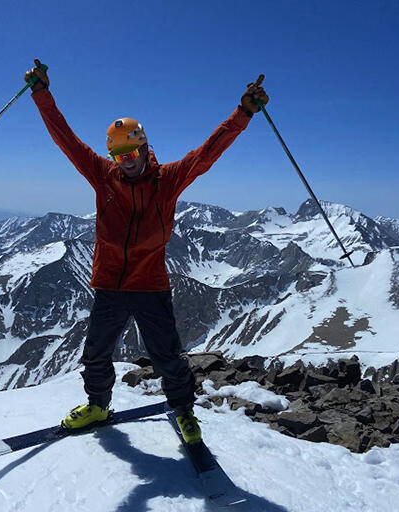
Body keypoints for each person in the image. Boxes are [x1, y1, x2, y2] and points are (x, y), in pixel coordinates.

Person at [25, 59, 268, 444]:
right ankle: (98, 405)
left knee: (166, 356)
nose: (127, 162)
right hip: (109, 284)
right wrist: (42, 94)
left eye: (133, 153)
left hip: (150, 285)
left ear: (144, 147)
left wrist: (243, 114)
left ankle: (184, 412)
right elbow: (66, 139)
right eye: (120, 157)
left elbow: (207, 153)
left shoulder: (167, 180)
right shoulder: (102, 175)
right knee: (96, 354)